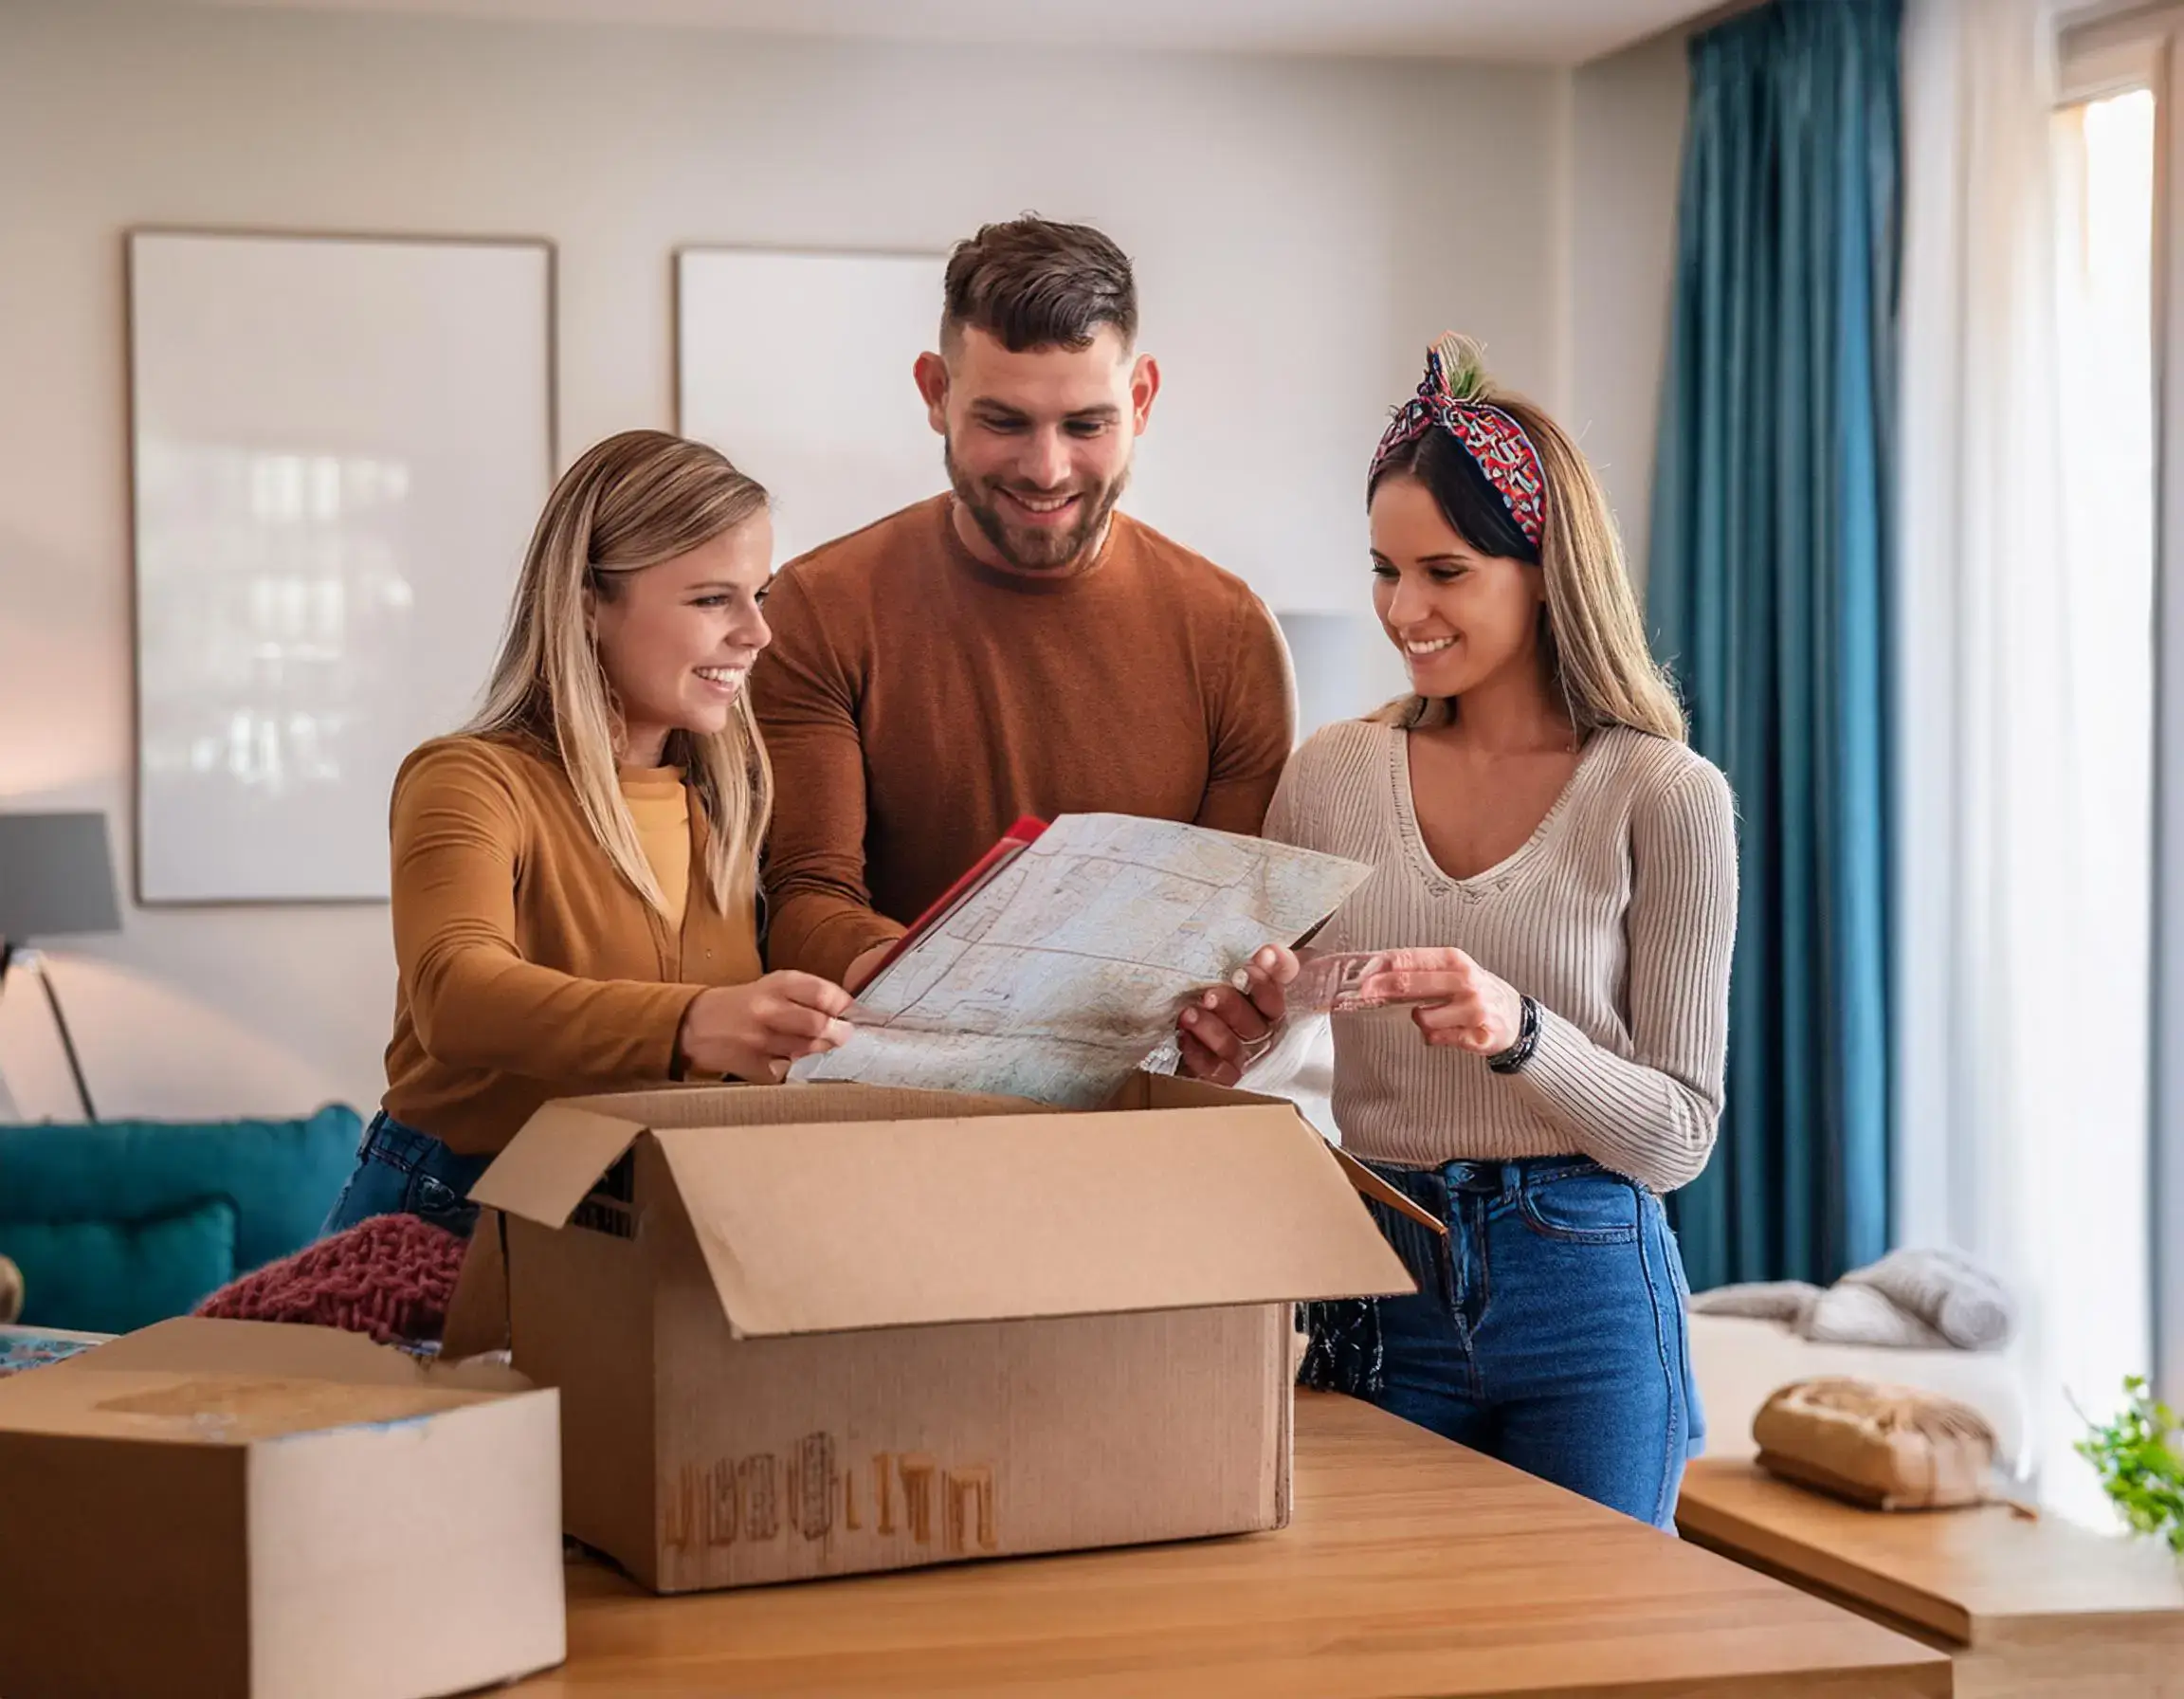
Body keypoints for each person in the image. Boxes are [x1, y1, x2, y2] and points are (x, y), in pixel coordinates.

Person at [1178, 336, 1737, 1528]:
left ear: (1545, 571)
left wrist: (1522, 1029)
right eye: (1383, 568)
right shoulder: (1332, 772)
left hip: (1585, 1288)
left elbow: (1681, 1133)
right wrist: (1239, 1032)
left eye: (1445, 570)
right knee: (1369, 1645)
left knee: (1593, 1656)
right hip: (1378, 1271)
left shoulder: (1665, 795)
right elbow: (1280, 1039)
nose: (1402, 610)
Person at [321, 431, 854, 1239]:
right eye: (714, 599)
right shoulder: (469, 780)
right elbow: (455, 993)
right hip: (453, 1210)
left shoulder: (727, 804)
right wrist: (692, 1022)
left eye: (761, 596)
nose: (758, 634)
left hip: (626, 1217)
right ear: (585, 603)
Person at [752, 215, 1296, 989]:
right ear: (936, 394)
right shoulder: (821, 608)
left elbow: (1224, 933)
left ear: (1140, 400)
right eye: (1004, 422)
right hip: (891, 1091)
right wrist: (944, 990)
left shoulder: (1232, 636)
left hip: (1142, 1100)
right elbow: (810, 901)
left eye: (1086, 425)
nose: (1047, 469)